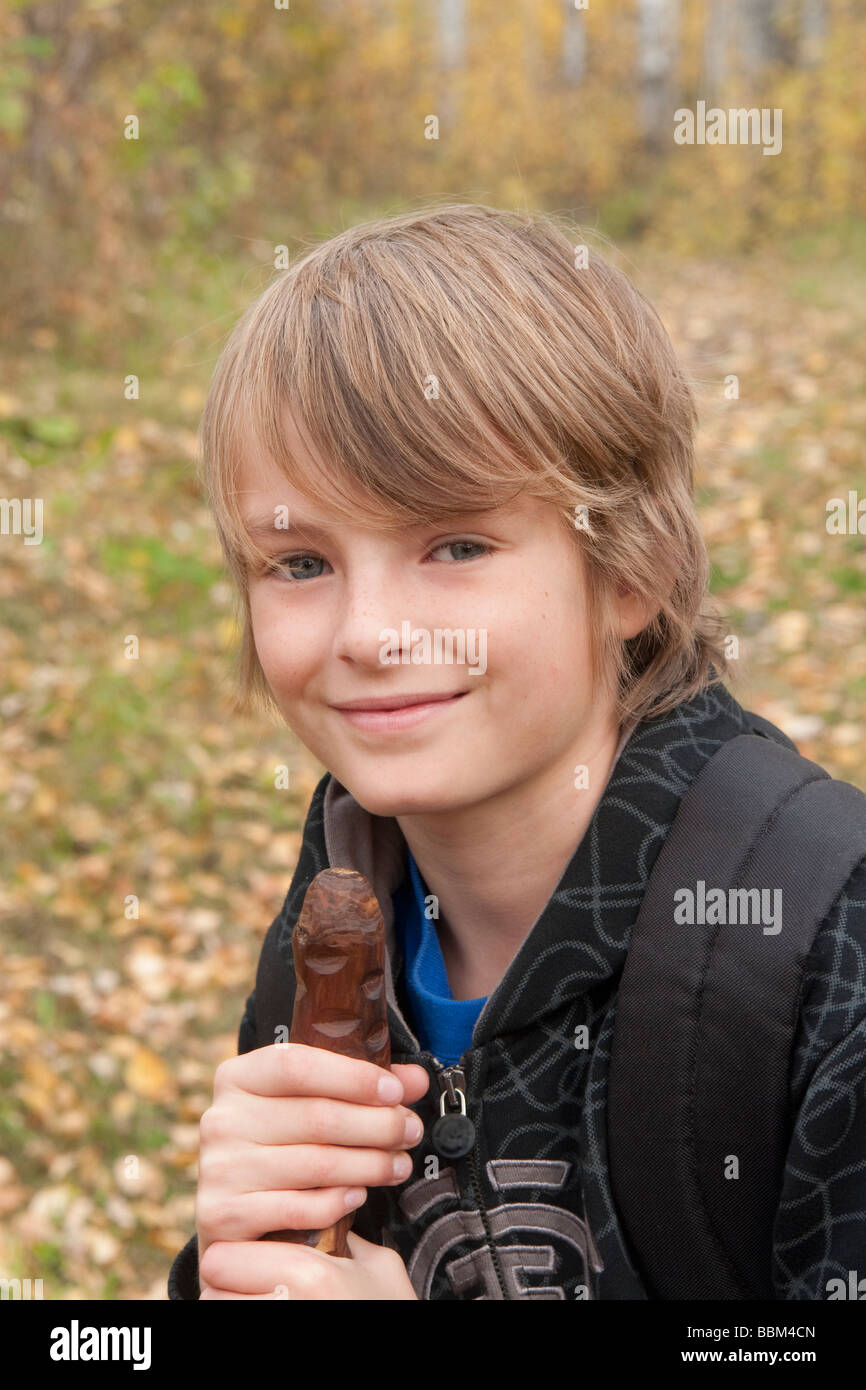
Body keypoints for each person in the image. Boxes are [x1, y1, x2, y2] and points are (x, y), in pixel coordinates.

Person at [168, 203, 866, 1300]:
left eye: (453, 544)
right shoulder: (339, 913)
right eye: (298, 562)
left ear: (629, 568)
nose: (366, 634)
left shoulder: (822, 952)